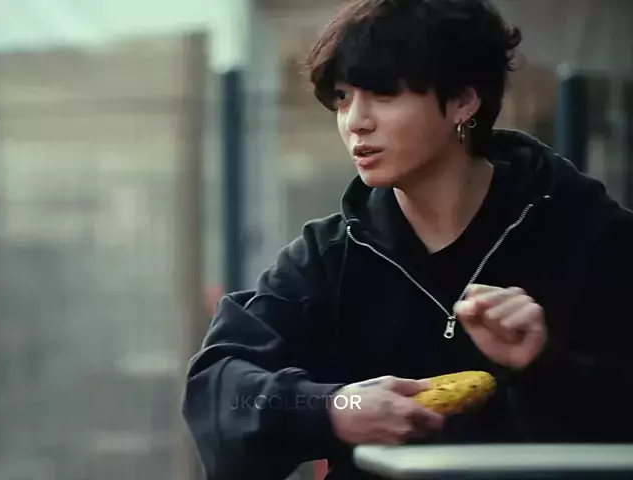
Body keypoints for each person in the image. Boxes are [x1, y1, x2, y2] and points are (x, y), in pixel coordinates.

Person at [182, 0, 633, 478]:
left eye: (382, 94)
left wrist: (543, 370)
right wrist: (335, 407)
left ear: (463, 101)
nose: (355, 121)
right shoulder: (329, 257)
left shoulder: (593, 238)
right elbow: (219, 391)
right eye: (342, 97)